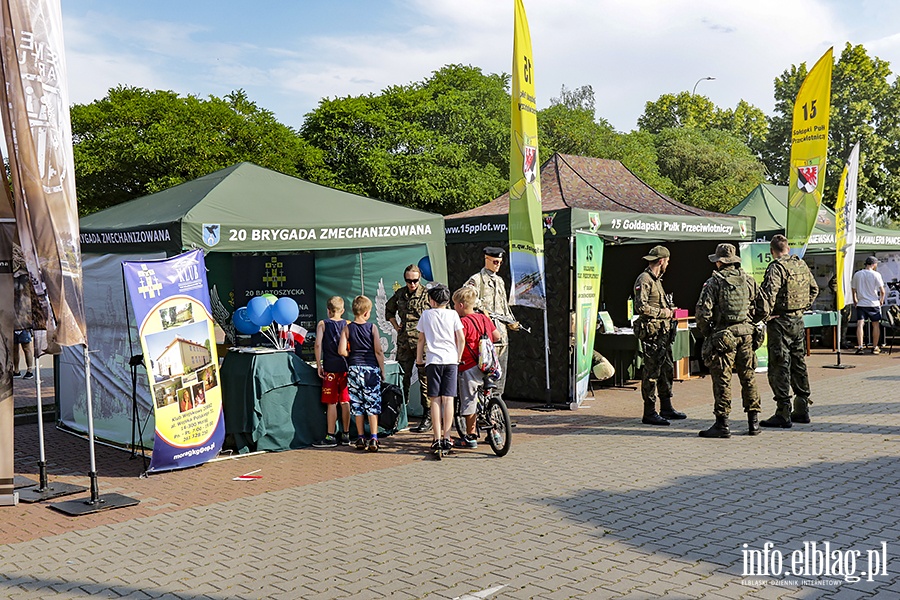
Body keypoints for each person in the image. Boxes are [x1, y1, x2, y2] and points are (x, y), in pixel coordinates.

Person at [695, 244, 762, 438]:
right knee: (748, 377)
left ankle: (722, 424)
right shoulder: (748, 280)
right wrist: (750, 322)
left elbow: (703, 312)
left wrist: (709, 333)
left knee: (723, 379)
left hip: (724, 336)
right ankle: (753, 423)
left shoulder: (714, 282)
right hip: (747, 334)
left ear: (720, 262)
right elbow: (764, 307)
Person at [755, 234, 818, 427]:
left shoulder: (776, 267)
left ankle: (783, 412)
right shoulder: (801, 265)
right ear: (788, 248)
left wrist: (764, 316)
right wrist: (801, 308)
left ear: (772, 251)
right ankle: (802, 408)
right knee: (798, 362)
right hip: (797, 321)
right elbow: (814, 289)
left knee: (779, 365)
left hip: (780, 322)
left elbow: (768, 295)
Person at [632, 245, 686, 426]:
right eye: (668, 261)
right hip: (652, 337)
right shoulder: (645, 279)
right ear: (662, 261)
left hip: (662, 336)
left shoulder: (657, 280)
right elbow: (640, 307)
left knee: (666, 370)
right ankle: (649, 412)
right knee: (651, 373)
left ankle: (666, 407)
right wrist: (665, 313)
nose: (668, 265)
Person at [416, 284, 465, 459]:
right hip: (451, 360)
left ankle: (436, 438)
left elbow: (421, 339)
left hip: (433, 360)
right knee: (449, 399)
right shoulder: (453, 314)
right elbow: (461, 338)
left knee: (435, 399)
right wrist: (458, 357)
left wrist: (419, 358)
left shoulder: (426, 315)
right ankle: (446, 436)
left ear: (433, 300)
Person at [464, 247, 519, 399]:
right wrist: (481, 309)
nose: (498, 265)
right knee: (485, 376)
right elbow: (465, 299)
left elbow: (504, 305)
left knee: (500, 375)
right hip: (485, 336)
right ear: (486, 259)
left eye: (500, 262)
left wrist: (511, 321)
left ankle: (496, 411)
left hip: (501, 336)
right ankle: (483, 410)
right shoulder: (476, 280)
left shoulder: (499, 281)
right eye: (495, 261)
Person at [452, 286, 501, 449]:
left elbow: (458, 341)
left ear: (460, 305)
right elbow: (497, 336)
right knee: (488, 397)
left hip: (470, 365)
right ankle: (494, 431)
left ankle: (471, 435)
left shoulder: (462, 322)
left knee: (469, 399)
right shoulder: (483, 318)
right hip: (488, 365)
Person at [385, 264, 431, 432]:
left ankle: (427, 417)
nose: (411, 284)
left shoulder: (427, 295)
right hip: (404, 344)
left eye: (414, 280)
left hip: (423, 345)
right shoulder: (400, 294)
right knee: (402, 380)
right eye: (408, 280)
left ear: (420, 278)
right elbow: (388, 311)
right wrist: (396, 326)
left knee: (425, 381)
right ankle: (399, 416)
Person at [338, 295, 387, 452]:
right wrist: (382, 369)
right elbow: (378, 350)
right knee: (372, 404)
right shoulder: (372, 328)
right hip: (370, 369)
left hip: (353, 368)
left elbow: (341, 350)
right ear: (367, 313)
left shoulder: (347, 328)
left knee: (357, 404)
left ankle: (360, 437)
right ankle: (373, 437)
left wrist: (350, 354)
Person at [313, 296, 352, 448]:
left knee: (331, 403)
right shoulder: (348, 324)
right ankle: (346, 434)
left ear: (328, 311)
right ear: (342, 310)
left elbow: (317, 345)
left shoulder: (322, 324)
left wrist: (318, 364)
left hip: (330, 367)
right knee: (345, 401)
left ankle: (330, 436)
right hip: (345, 367)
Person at [851, 256, 886, 354]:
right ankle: (875, 347)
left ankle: (860, 346)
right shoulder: (876, 275)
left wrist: (855, 299)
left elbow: (853, 289)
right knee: (875, 325)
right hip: (873, 303)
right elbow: (882, 291)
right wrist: (881, 300)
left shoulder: (857, 274)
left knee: (860, 324)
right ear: (873, 264)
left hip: (861, 303)